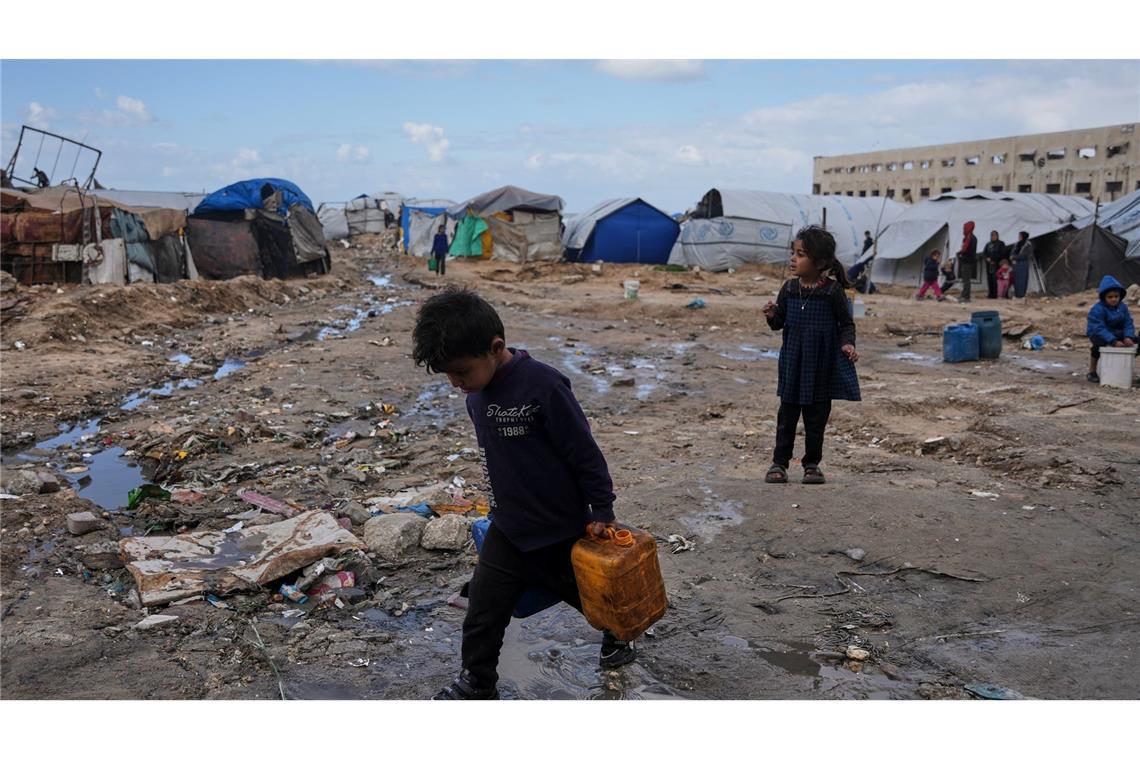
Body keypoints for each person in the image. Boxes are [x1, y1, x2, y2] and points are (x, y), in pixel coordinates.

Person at [412, 288, 634, 700]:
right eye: (448, 374)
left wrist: (602, 508)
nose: (456, 383)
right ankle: (478, 684)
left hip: (560, 530)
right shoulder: (476, 396)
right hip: (509, 530)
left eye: (461, 371)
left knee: (596, 602)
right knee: (482, 613)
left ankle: (619, 635)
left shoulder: (544, 386)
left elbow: (583, 452)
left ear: (496, 348)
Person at [762, 226, 860, 485]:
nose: (793, 259)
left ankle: (812, 464)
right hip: (793, 364)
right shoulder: (790, 289)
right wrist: (772, 314)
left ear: (820, 262)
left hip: (821, 367)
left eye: (801, 254)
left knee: (816, 420)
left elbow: (846, 324)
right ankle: (779, 463)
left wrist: (847, 344)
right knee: (787, 418)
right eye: (793, 253)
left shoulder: (832, 292)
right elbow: (779, 322)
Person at [1085, 275, 1136, 383]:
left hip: (1117, 333)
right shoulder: (1098, 309)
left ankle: (1122, 366)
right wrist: (1113, 341)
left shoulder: (1123, 307)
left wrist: (1128, 336)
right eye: (1110, 297)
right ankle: (1092, 371)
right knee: (1098, 344)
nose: (1114, 299)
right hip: (1098, 333)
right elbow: (1099, 328)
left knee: (1135, 341)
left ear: (1120, 296)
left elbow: (1128, 323)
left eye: (1116, 296)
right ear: (1104, 297)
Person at [957, 220, 977, 302]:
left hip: (967, 261)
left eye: (964, 228)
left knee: (966, 280)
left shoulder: (969, 237)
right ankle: (964, 294)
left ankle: (966, 297)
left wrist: (960, 253)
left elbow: (965, 249)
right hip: (969, 260)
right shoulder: (972, 237)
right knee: (965, 279)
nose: (963, 229)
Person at [983, 230, 1006, 299]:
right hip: (989, 265)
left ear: (997, 236)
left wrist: (994, 259)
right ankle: (991, 294)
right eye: (992, 235)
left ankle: (997, 294)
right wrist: (987, 259)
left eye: (994, 235)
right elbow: (984, 253)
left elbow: (1002, 253)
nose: (993, 236)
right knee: (989, 279)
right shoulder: (988, 244)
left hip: (997, 264)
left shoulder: (1001, 243)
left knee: (996, 279)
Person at [1011, 231, 1033, 300]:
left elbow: (1025, 255)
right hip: (1016, 264)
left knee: (1022, 279)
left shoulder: (1028, 245)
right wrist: (1012, 257)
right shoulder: (1016, 244)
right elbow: (1012, 252)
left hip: (1023, 263)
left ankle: (1021, 295)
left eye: (1020, 236)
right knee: (1016, 279)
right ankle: (1016, 294)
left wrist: (1015, 257)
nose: (1019, 237)